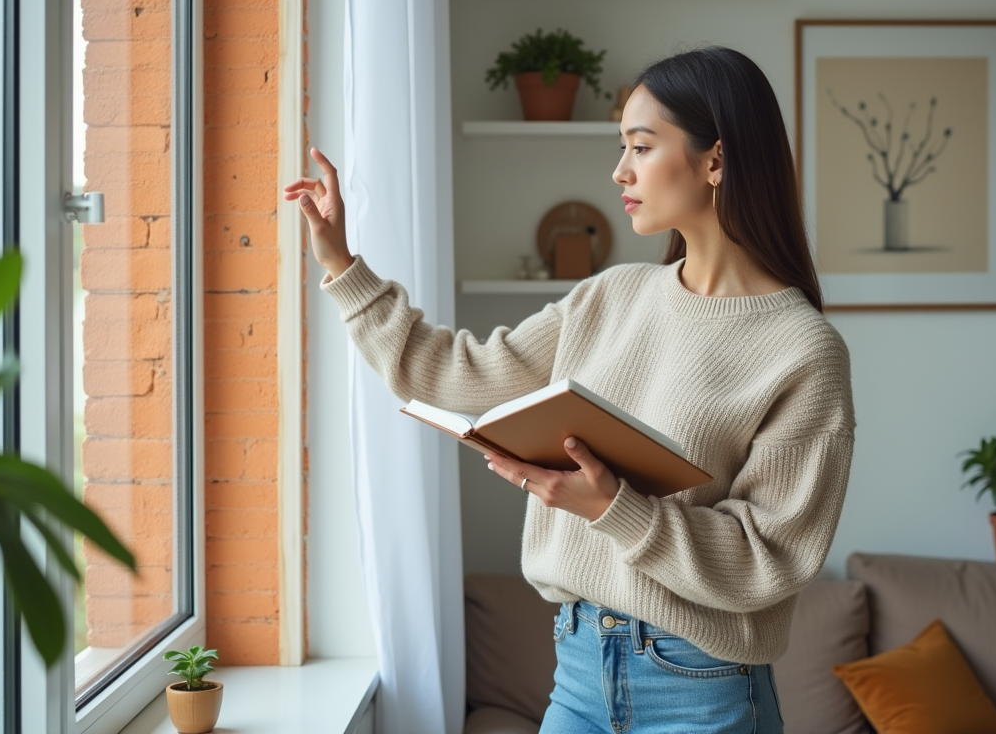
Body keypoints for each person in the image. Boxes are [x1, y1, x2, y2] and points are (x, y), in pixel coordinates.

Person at [284, 47, 854, 734]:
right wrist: (342, 264)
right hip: (581, 668)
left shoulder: (802, 349)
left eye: (641, 147)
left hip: (701, 689)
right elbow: (454, 376)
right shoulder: (610, 297)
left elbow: (769, 559)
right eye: (623, 147)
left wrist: (615, 505)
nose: (620, 171)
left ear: (715, 161)